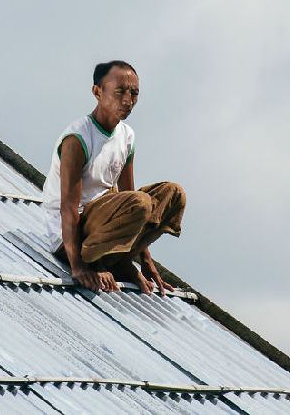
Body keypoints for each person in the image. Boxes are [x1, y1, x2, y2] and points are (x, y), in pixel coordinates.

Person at [42, 61, 186, 295]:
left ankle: (120, 261)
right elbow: (68, 208)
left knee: (173, 194)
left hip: (106, 226)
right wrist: (79, 267)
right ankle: (96, 260)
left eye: (134, 93)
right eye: (120, 92)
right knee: (140, 202)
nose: (128, 100)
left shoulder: (127, 136)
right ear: (97, 92)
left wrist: (146, 261)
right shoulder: (78, 139)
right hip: (70, 237)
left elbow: (130, 197)